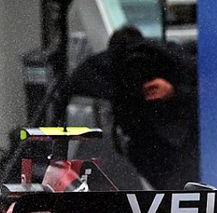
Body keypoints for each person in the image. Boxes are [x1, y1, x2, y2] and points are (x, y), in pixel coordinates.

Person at [58, 26, 199, 190]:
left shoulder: (109, 68)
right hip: (165, 143)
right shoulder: (167, 55)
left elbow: (71, 85)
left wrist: (172, 91)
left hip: (166, 143)